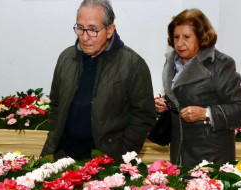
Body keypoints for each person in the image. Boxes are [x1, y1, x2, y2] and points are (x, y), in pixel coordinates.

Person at [41, 0, 155, 161]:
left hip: (108, 161)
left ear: (109, 30)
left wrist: (122, 156)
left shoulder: (133, 64)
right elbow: (56, 105)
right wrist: (54, 140)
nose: (85, 37)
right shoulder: (66, 58)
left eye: (93, 30)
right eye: (80, 28)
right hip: (63, 156)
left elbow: (143, 117)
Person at [155, 9, 241, 167]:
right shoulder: (172, 62)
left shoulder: (221, 65)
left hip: (212, 158)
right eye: (176, 37)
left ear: (201, 37)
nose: (179, 43)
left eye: (186, 37)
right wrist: (165, 105)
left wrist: (206, 113)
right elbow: (185, 95)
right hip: (179, 154)